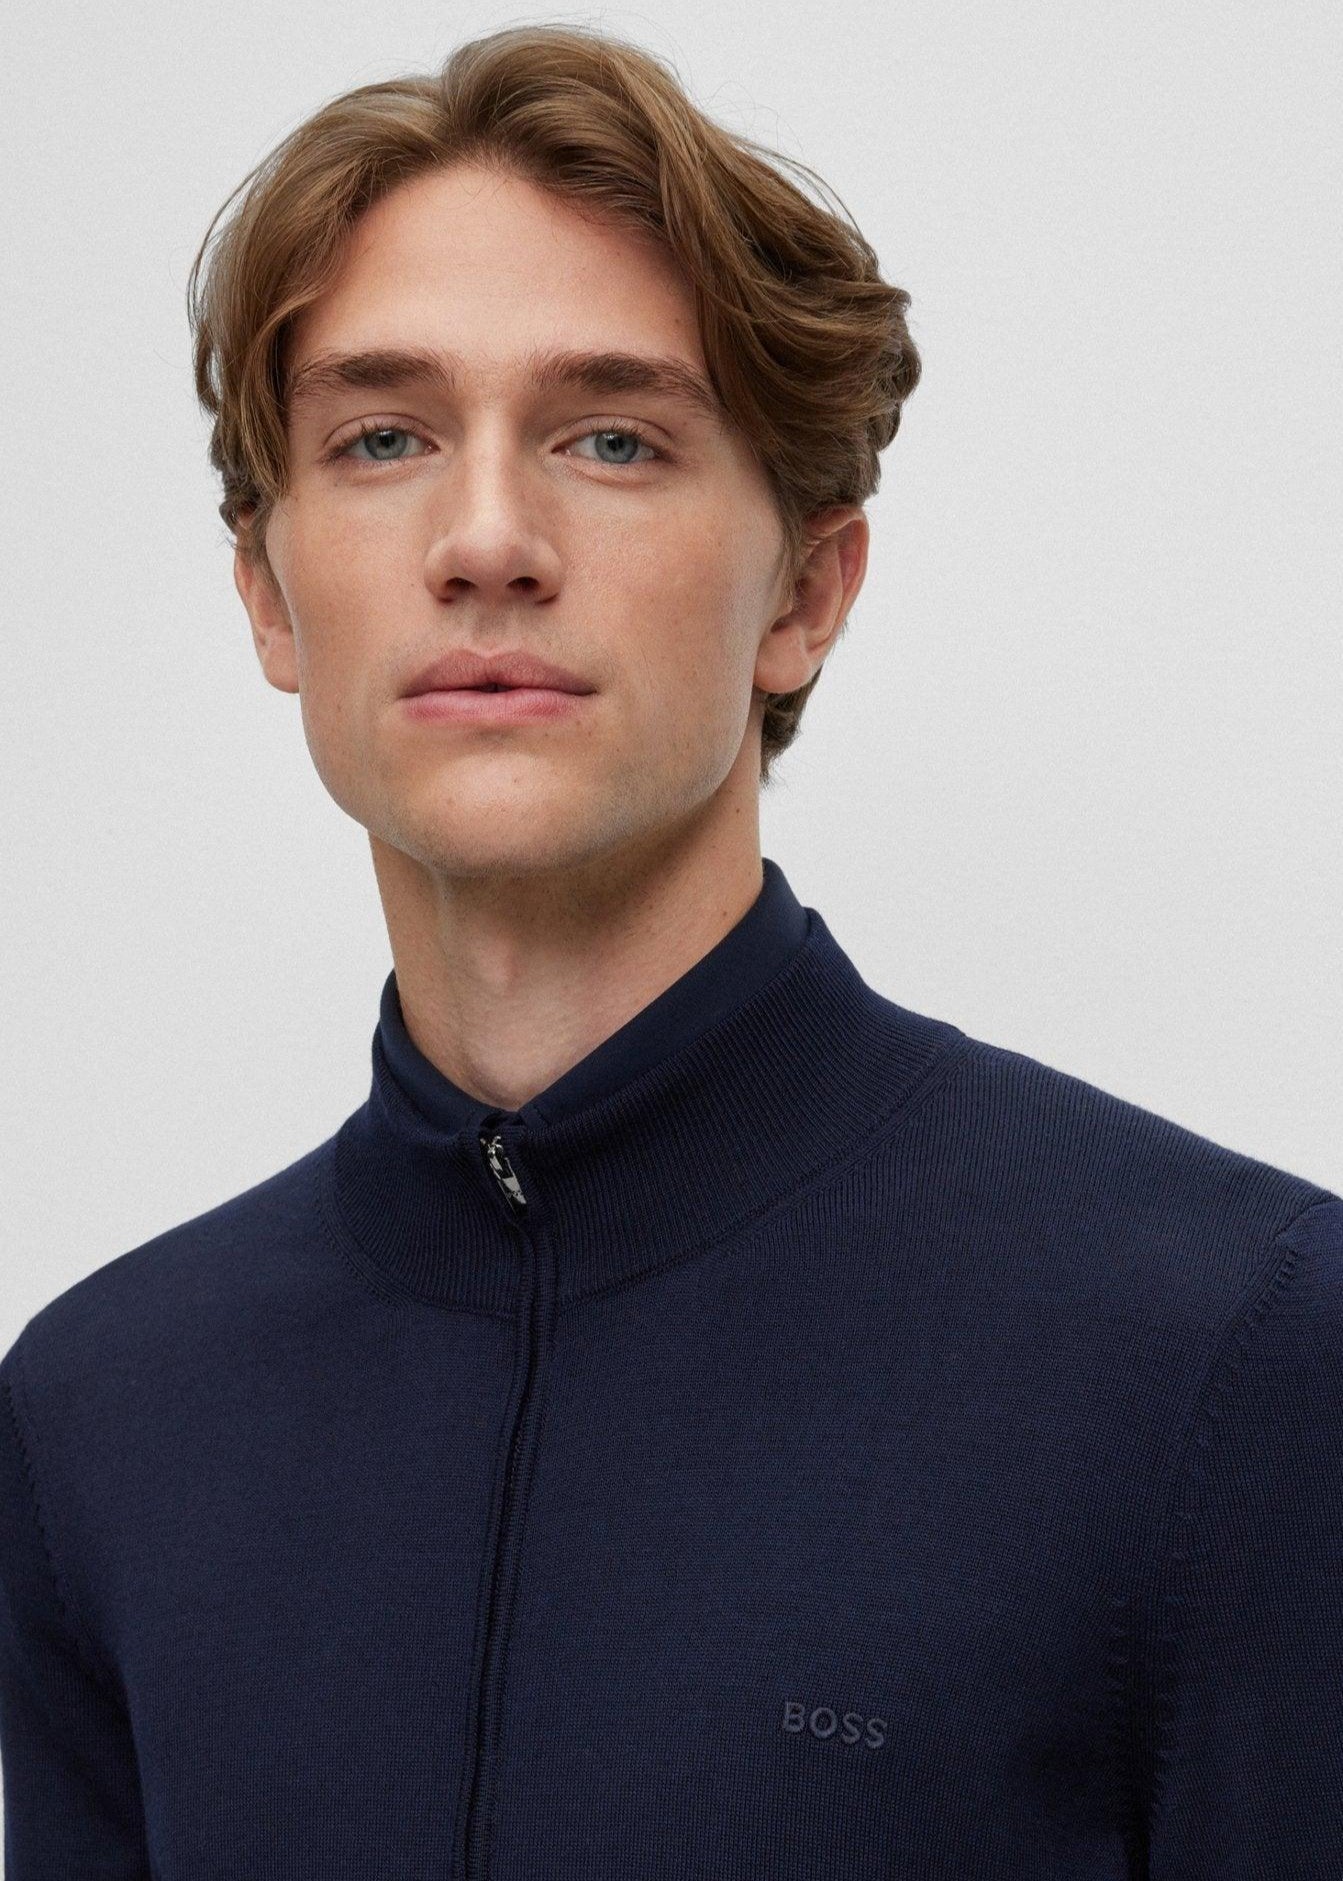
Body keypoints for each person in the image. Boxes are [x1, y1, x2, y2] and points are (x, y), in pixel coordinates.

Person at [1, 22, 1338, 1880]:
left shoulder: (1241, 1351)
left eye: (612, 437)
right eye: (382, 438)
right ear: (268, 594)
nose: (487, 538)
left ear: (807, 591)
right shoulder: (102, 1416)